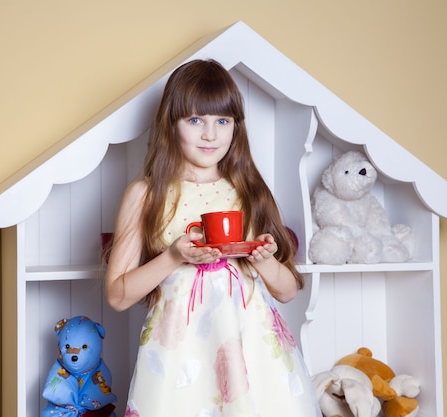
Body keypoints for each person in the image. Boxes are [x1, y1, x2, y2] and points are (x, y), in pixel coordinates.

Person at [105, 59, 319, 417]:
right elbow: (117, 296)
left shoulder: (249, 191)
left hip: (252, 355)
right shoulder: (146, 194)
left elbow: (287, 291)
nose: (211, 134)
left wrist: (264, 260)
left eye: (223, 121)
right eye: (195, 120)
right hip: (178, 357)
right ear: (171, 124)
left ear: (236, 126)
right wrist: (173, 257)